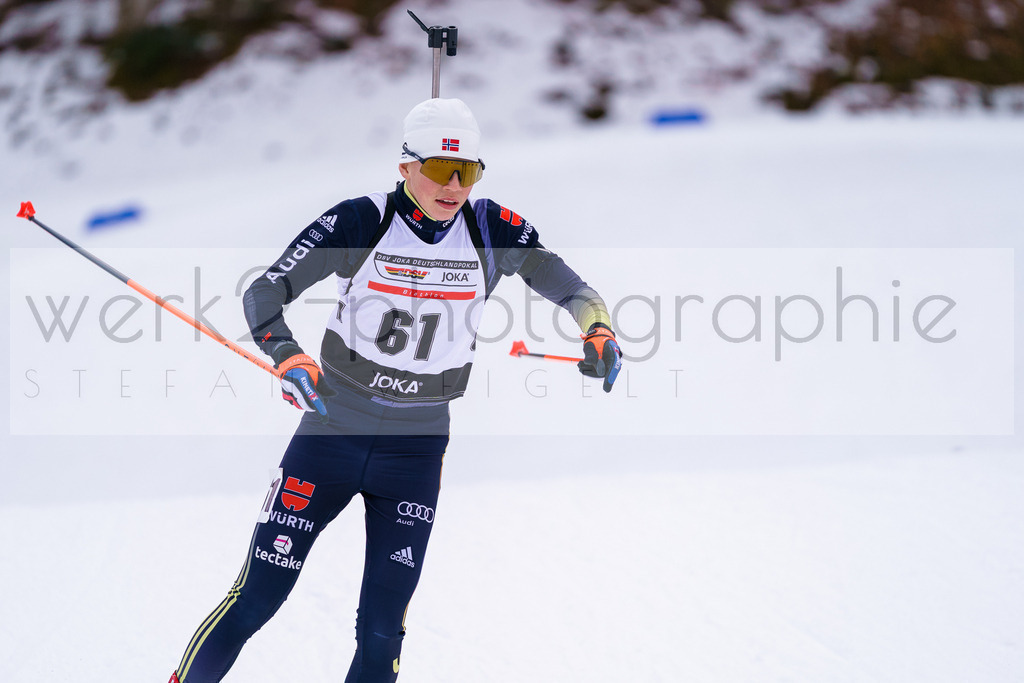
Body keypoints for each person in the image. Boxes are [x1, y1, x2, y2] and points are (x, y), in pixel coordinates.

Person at [169, 97, 622, 683]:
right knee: (258, 596)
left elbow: (575, 289)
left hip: (416, 449)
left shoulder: (492, 229)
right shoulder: (362, 221)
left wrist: (598, 330)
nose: (454, 185)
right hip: (333, 431)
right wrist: (289, 356)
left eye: (469, 171)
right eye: (438, 168)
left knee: (382, 628)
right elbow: (264, 293)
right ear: (406, 166)